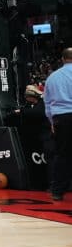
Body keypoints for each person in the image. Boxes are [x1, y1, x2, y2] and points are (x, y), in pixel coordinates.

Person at [44, 47, 72, 201]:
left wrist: (51, 121)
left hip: (60, 118)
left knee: (62, 155)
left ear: (62, 59)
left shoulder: (52, 77)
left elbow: (47, 103)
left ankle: (57, 191)